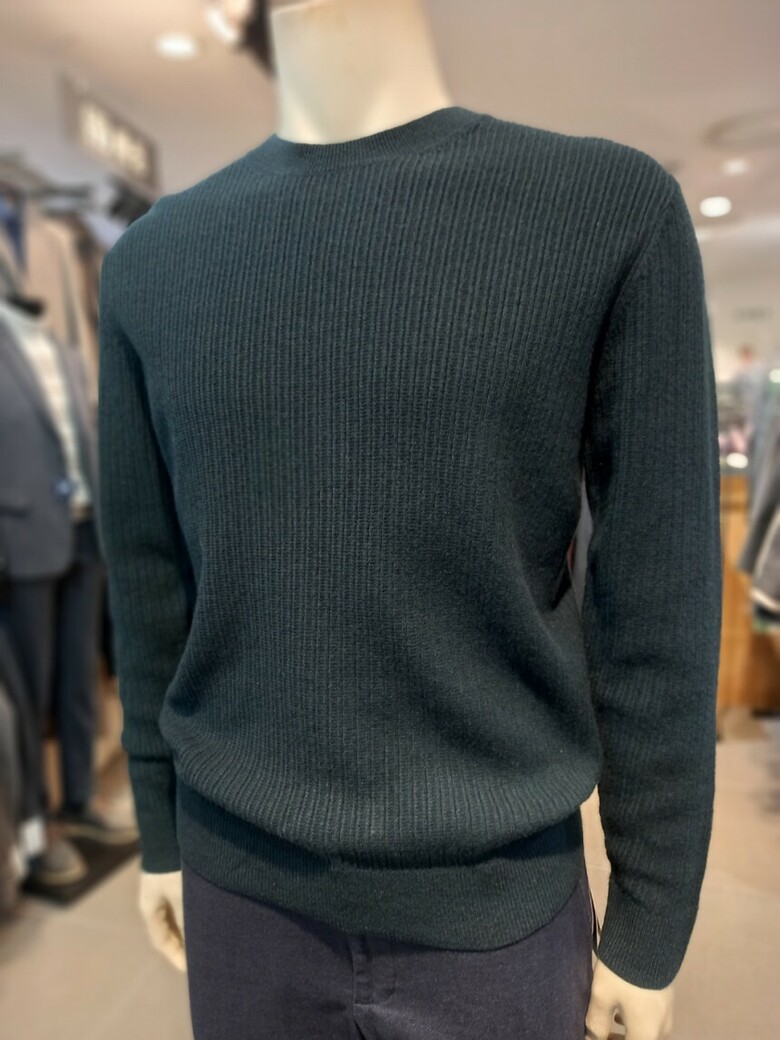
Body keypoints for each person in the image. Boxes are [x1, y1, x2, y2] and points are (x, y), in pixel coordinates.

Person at [97, 1, 722, 1037]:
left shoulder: (609, 213)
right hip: (236, 894)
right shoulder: (149, 264)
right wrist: (159, 827)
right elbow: (148, 578)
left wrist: (653, 912)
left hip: (500, 912)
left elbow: (658, 602)